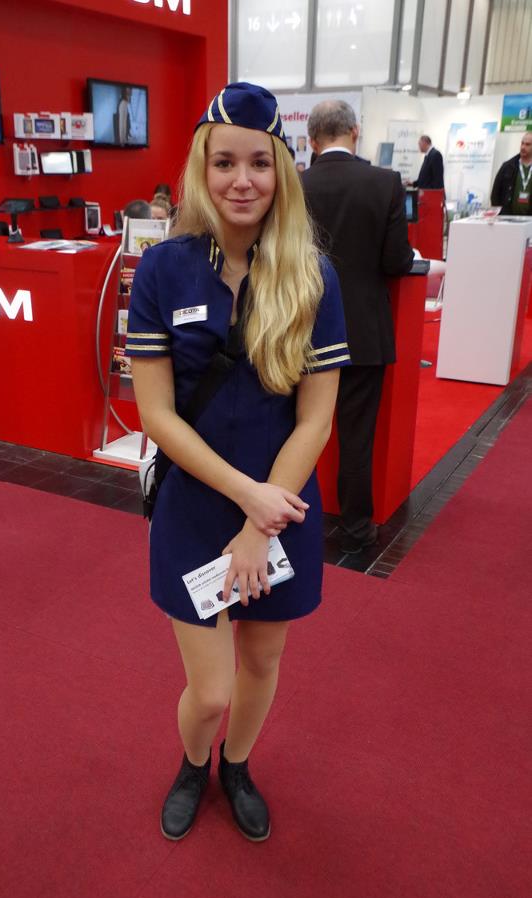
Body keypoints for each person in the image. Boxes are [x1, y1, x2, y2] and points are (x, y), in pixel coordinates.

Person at [125, 82, 350, 842]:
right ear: (202, 168)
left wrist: (262, 521)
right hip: (197, 503)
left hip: (283, 507)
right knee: (212, 689)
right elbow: (157, 416)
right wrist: (245, 499)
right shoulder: (163, 270)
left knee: (262, 661)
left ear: (282, 169)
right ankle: (195, 763)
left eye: (259, 162)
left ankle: (238, 765)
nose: (242, 180)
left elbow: (315, 419)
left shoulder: (314, 275)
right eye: (225, 163)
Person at [302, 100, 414, 554]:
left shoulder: (295, 184)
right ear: (355, 131)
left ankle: (284, 518)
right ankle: (356, 530)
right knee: (356, 438)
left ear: (312, 140)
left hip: (303, 328)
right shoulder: (385, 182)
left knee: (292, 429)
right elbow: (396, 260)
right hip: (362, 331)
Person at [491, 132, 532, 216]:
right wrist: (500, 214)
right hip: (508, 218)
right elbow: (495, 193)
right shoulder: (507, 166)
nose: (523, 147)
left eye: (527, 144)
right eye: (522, 143)